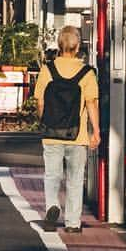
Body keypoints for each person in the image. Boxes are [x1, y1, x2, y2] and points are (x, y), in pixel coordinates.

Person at [33, 26, 99, 233]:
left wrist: (43, 119)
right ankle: (72, 223)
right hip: (77, 135)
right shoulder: (86, 73)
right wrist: (95, 131)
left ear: (59, 46)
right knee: (75, 179)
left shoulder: (47, 70)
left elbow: (40, 102)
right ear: (78, 46)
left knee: (52, 175)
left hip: (52, 133)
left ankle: (52, 205)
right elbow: (91, 103)